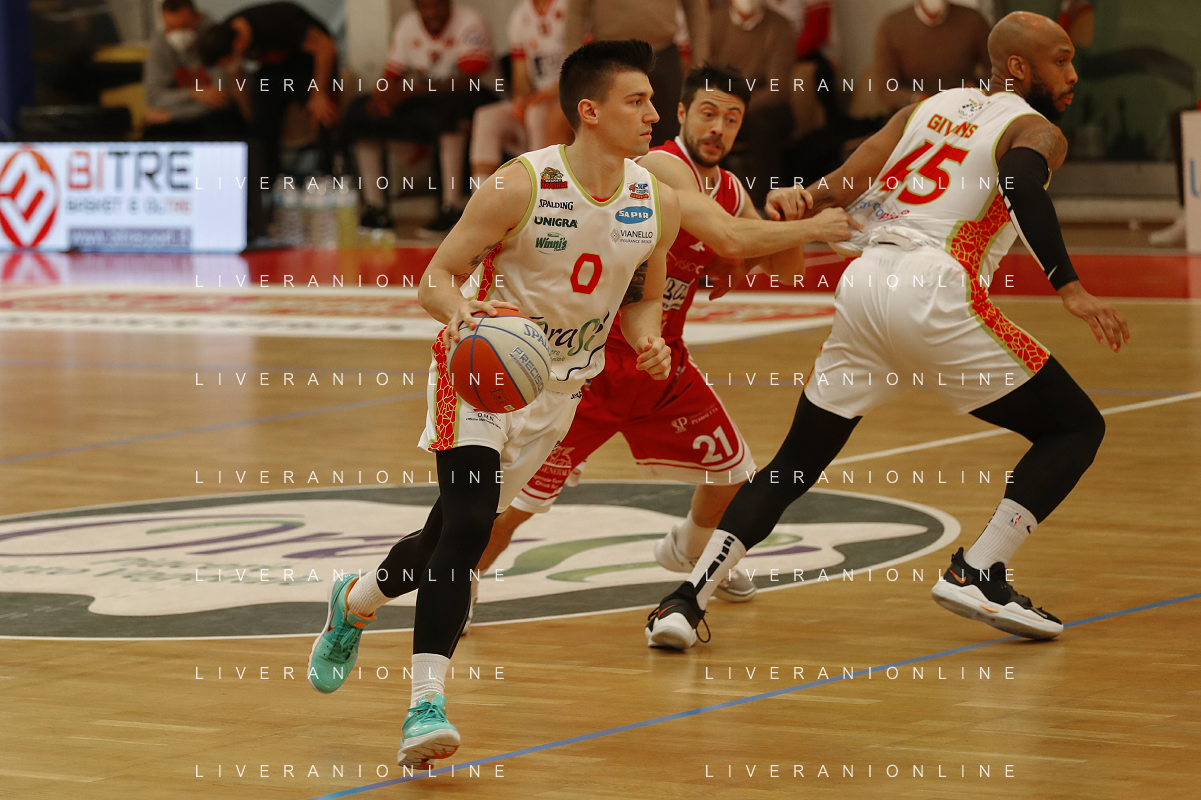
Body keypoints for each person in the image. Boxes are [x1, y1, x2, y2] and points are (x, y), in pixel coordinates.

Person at [645, 12, 1131, 650]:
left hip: (867, 281)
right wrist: (1068, 285)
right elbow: (1017, 182)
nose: (1072, 74)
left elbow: (849, 181)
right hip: (935, 286)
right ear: (1019, 67)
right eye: (1061, 60)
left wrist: (804, 197)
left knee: (796, 462)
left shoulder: (926, 109)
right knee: (1076, 427)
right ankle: (978, 570)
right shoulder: (1034, 129)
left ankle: (684, 601)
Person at [307, 40, 681, 768]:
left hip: (558, 391)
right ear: (589, 110)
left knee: (448, 533)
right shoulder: (520, 185)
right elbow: (436, 277)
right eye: (637, 101)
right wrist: (460, 315)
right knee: (472, 525)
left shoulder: (654, 201)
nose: (652, 115)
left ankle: (354, 601)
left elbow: (643, 297)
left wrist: (648, 340)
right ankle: (425, 707)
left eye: (650, 101)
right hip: (478, 373)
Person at [467, 63, 858, 632]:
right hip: (592, 365)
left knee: (731, 473)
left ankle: (690, 550)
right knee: (516, 507)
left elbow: (782, 269)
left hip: (660, 361)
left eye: (732, 119)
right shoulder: (659, 168)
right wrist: (814, 228)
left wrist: (790, 211)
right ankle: (462, 584)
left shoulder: (729, 189)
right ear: (681, 114)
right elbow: (729, 238)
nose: (718, 128)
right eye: (708, 113)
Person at [345, 0, 495, 235]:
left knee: (449, 110)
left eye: (437, 5)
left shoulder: (470, 22)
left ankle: (451, 207)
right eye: (425, 6)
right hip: (427, 96)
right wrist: (382, 95)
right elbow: (392, 75)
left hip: (479, 95)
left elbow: (467, 80)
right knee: (361, 109)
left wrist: (406, 92)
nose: (432, 12)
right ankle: (376, 208)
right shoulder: (407, 25)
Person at [198, 1, 339, 181]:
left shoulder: (277, 22)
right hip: (273, 70)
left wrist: (319, 95)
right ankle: (268, 180)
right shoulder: (226, 36)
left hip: (311, 62)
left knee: (324, 114)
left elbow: (326, 47)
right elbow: (237, 77)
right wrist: (250, 116)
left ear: (238, 45)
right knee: (260, 126)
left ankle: (330, 174)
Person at [564, 0, 710, 146]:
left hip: (663, 55)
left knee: (668, 137)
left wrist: (700, 63)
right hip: (608, 56)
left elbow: (695, 9)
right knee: (611, 137)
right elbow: (576, 12)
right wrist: (574, 68)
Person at [469, 0, 570, 191]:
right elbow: (521, 75)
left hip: (569, 95)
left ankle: (542, 193)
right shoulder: (520, 15)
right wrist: (521, 100)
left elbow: (586, 67)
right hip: (539, 97)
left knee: (536, 113)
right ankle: (479, 198)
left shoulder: (570, 6)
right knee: (486, 116)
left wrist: (550, 93)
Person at [710, 1, 797, 206]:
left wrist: (735, 106)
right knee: (703, 124)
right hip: (720, 106)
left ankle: (763, 206)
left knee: (764, 127)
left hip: (762, 109)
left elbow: (778, 89)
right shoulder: (714, 23)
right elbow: (702, 72)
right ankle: (710, 202)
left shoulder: (780, 26)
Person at [142, 0, 244, 140]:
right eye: (170, 27)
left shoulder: (215, 40)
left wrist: (171, 115)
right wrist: (194, 93)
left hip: (211, 117)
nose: (177, 33)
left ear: (197, 17)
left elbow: (221, 98)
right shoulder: (159, 45)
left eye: (184, 26)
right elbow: (155, 97)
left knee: (221, 121)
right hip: (181, 115)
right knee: (153, 128)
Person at [874, 0, 991, 111]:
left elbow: (994, 69)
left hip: (965, 108)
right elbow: (886, 89)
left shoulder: (973, 20)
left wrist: (976, 87)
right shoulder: (891, 26)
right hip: (915, 113)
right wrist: (917, 99)